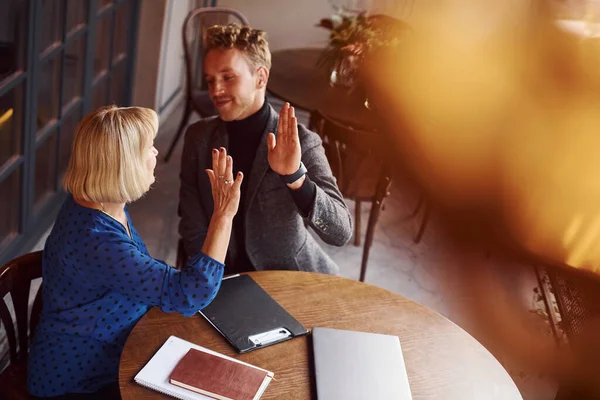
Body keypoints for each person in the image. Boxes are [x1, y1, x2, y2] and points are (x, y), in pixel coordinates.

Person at [27, 105, 243, 399]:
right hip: (79, 377)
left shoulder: (98, 202)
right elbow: (191, 293)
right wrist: (223, 216)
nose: (156, 154)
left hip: (109, 341)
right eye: (148, 148)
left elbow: (138, 274)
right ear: (123, 165)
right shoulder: (99, 240)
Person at [178, 24, 353, 275]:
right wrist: (207, 276)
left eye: (228, 77)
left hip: (291, 280)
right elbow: (192, 222)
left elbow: (340, 232)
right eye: (210, 80)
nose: (215, 91)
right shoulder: (198, 138)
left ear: (260, 77)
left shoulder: (302, 142)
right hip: (222, 280)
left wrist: (296, 178)